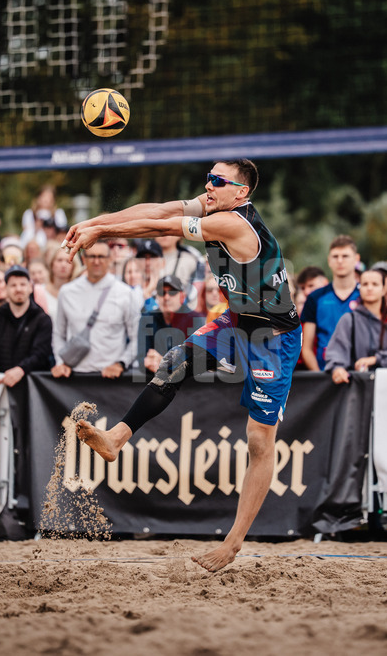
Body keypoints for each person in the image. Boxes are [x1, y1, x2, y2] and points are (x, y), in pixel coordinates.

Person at [64, 159, 302, 572]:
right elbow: (158, 210)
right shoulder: (212, 207)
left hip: (273, 337)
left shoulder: (233, 223)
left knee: (259, 442)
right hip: (238, 321)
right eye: (208, 178)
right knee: (174, 363)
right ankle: (116, 438)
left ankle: (233, 542)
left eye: (218, 181)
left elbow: (162, 228)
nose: (208, 186)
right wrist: (94, 222)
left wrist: (102, 231)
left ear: (241, 192)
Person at [51, 242, 140, 378]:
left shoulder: (125, 293)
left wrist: (121, 363)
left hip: (111, 378)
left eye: (101, 257)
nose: (96, 261)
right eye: (92, 256)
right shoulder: (67, 292)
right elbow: (58, 334)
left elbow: (137, 337)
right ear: (83, 259)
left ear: (109, 259)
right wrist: (60, 362)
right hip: (74, 376)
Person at [324, 266, 387, 384]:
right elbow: (336, 352)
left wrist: (377, 359)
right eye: (365, 284)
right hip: (356, 388)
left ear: (383, 289)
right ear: (359, 288)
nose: (369, 288)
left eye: (375, 284)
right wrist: (338, 369)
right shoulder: (349, 320)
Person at [300, 235, 361, 371]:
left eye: (345, 256)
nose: (340, 261)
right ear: (329, 260)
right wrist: (319, 377)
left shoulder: (366, 295)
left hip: (360, 374)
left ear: (356, 259)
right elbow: (306, 348)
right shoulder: (315, 298)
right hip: (325, 373)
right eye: (335, 256)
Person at [138, 275, 207, 373]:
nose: (166, 297)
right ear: (157, 296)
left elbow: (198, 361)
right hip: (155, 379)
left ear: (182, 296)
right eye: (162, 293)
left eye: (172, 292)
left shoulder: (194, 319)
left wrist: (165, 363)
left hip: (188, 381)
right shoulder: (147, 319)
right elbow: (143, 360)